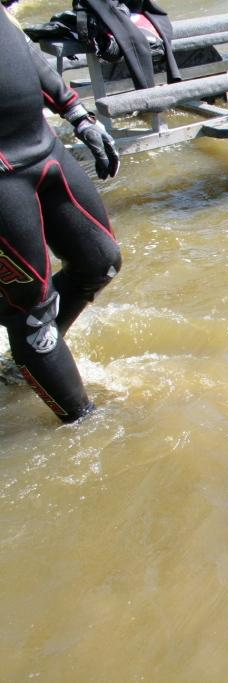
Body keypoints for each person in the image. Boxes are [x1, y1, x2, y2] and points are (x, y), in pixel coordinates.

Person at [1, 2, 121, 423]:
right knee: (30, 314)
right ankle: (85, 426)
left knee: (100, 262)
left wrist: (78, 115)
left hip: (43, 149)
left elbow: (21, 49)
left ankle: (32, 361)